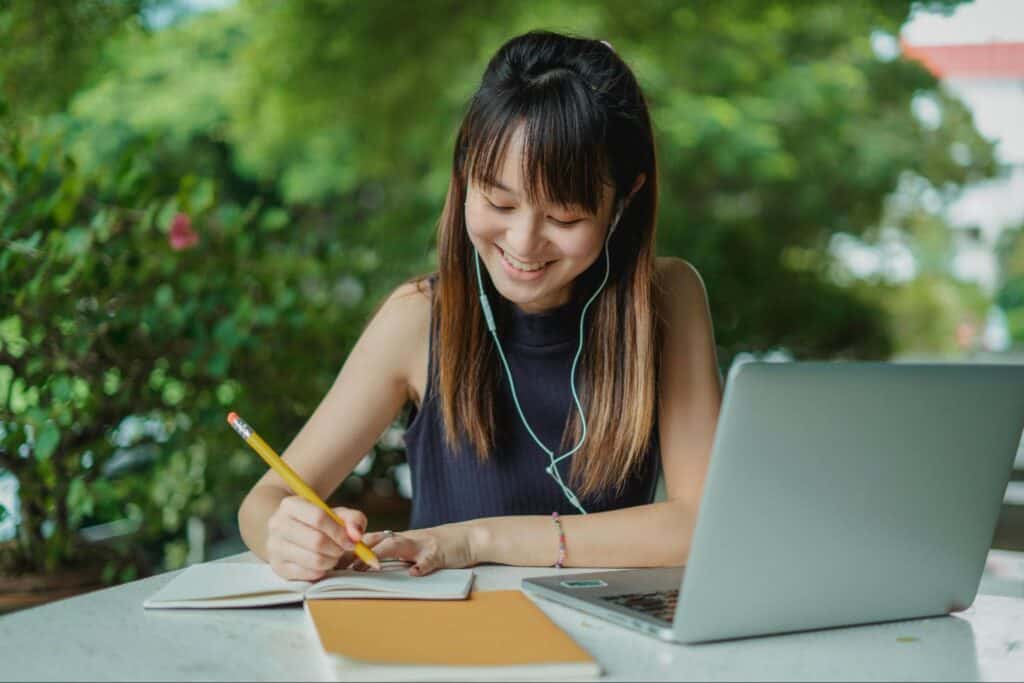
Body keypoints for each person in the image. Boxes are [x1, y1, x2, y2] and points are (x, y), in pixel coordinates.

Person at [238, 30, 722, 580]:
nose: (523, 242)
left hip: (609, 642)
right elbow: (266, 499)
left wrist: (477, 539)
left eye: (564, 219)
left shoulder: (668, 298)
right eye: (498, 202)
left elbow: (698, 525)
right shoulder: (418, 317)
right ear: (465, 171)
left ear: (625, 198)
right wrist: (289, 534)